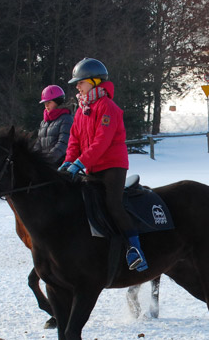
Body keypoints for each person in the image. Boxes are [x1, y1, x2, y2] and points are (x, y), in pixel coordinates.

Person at [59, 58, 147, 272]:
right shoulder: (81, 110)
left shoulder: (108, 107)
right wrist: (68, 161)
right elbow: (74, 141)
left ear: (95, 81)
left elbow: (102, 142)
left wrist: (79, 163)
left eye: (80, 82)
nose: (77, 86)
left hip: (112, 166)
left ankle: (135, 250)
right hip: (92, 167)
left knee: (113, 205)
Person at [33, 85, 73, 167]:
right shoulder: (44, 122)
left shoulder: (66, 119)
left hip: (60, 164)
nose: (46, 106)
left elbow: (63, 143)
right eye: (45, 103)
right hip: (46, 164)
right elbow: (38, 142)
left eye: (49, 102)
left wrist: (49, 159)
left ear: (58, 102)